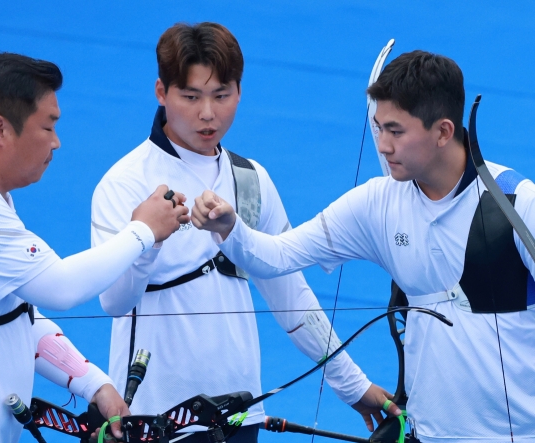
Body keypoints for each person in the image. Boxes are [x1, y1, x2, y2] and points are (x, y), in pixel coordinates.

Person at [192, 50, 535, 443]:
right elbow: (275, 257)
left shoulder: (517, 203)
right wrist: (230, 228)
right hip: (427, 434)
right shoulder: (377, 204)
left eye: (396, 131)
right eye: (378, 128)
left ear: (443, 131)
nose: (384, 145)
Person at [92, 22, 397, 442]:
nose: (208, 113)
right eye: (191, 96)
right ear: (161, 93)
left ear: (239, 91)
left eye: (222, 95)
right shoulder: (124, 183)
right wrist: (147, 236)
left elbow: (291, 296)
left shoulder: (251, 180)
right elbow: (113, 301)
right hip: (152, 421)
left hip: (239, 416)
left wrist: (352, 384)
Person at [0, 51, 189, 443]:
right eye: (47, 126)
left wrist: (94, 384)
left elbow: (17, 316)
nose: (56, 142)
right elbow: (61, 288)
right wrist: (143, 231)